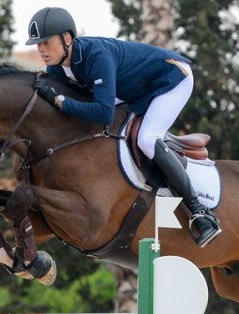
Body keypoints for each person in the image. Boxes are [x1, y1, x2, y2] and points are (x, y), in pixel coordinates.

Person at [25, 7, 221, 247]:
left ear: (67, 38)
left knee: (147, 139)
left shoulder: (96, 55)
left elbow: (105, 113)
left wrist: (60, 101)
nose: (41, 50)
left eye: (47, 42)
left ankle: (200, 212)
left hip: (170, 79)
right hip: (134, 87)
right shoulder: (57, 65)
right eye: (38, 45)